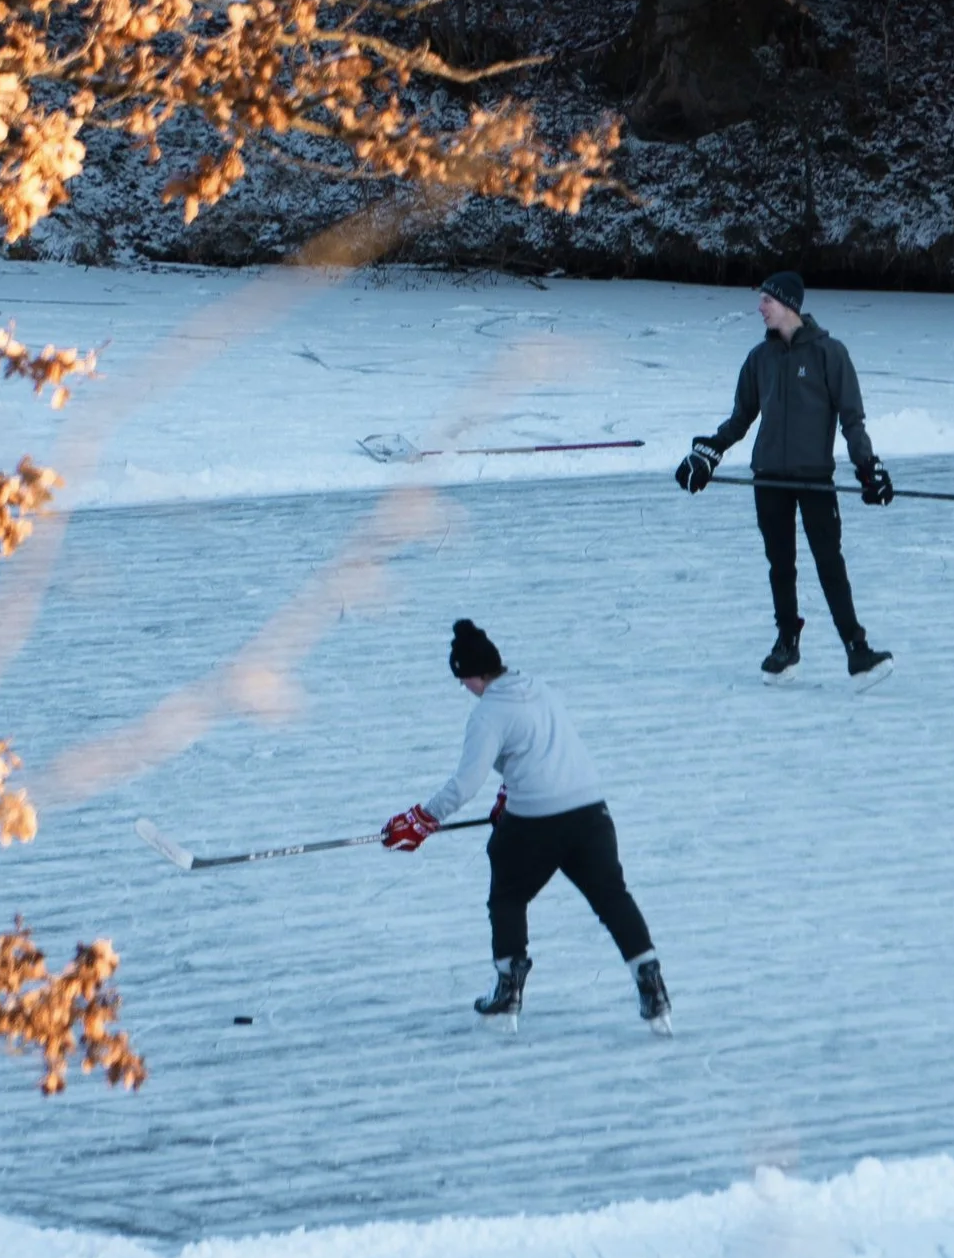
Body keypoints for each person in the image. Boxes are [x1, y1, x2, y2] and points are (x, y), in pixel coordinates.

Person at [383, 618, 670, 1027]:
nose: (464, 688)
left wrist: (422, 819)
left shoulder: (488, 714)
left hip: (540, 820)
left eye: (463, 679)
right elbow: (540, 750)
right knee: (612, 898)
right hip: (591, 812)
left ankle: (508, 988)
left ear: (474, 674)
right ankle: (651, 981)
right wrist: (507, 794)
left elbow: (465, 784)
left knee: (507, 892)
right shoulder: (539, 689)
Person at [675, 269, 895, 678]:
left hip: (814, 479)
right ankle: (787, 643)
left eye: (766, 301)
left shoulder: (831, 354)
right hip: (769, 479)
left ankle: (856, 648)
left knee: (829, 563)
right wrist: (709, 453)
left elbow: (852, 420)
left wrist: (868, 468)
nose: (760, 308)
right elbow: (741, 417)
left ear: (789, 305)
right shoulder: (760, 359)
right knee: (781, 564)